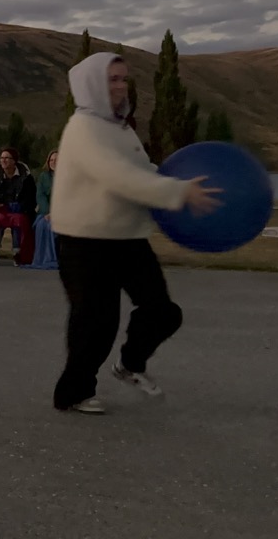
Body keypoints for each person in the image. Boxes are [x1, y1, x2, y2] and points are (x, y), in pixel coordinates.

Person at [50, 52, 222, 414]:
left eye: (123, 78)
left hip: (127, 237)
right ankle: (73, 392)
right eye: (112, 79)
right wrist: (178, 193)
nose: (120, 85)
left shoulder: (120, 128)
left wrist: (178, 185)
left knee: (163, 311)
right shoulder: (83, 127)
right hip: (85, 241)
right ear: (92, 83)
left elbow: (144, 171)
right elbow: (118, 176)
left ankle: (130, 364)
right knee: (95, 322)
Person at [0, 147, 37, 267]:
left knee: (19, 220)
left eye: (7, 158)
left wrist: (23, 206)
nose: (3, 160)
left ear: (14, 160)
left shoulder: (25, 175)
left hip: (19, 209)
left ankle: (17, 252)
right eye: (2, 158)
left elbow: (31, 196)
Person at [29, 150, 59, 270]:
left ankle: (54, 258)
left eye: (57, 160)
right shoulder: (43, 176)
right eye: (51, 160)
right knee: (42, 224)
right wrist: (47, 212)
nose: (53, 162)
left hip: (63, 213)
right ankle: (43, 258)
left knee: (53, 225)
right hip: (45, 213)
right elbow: (40, 196)